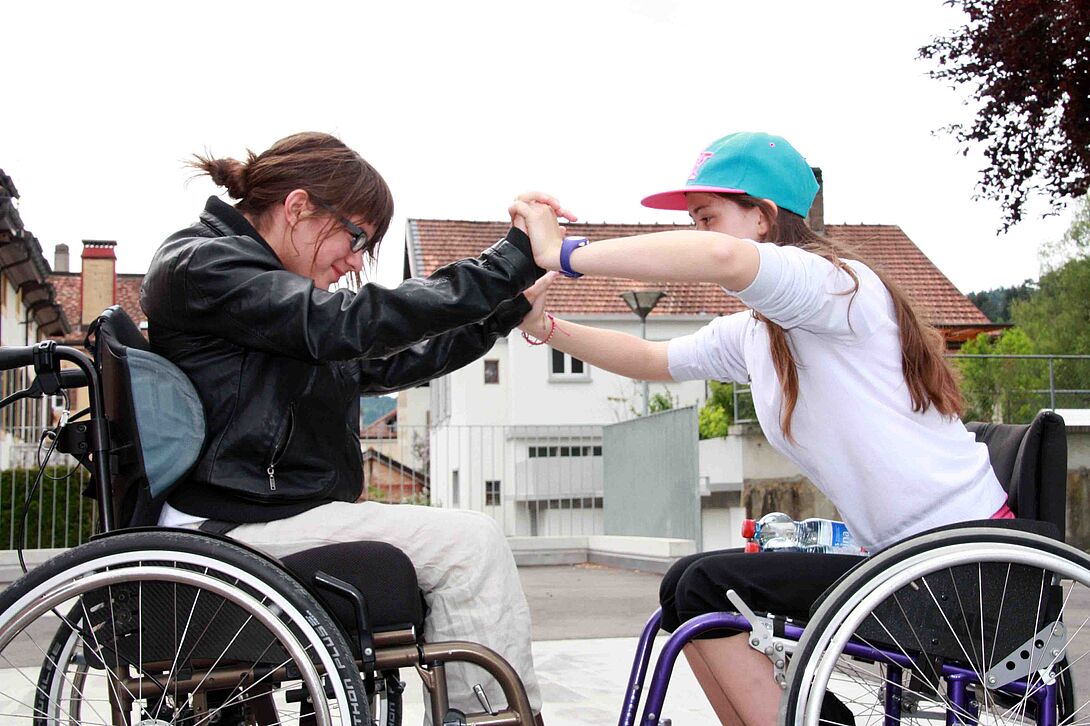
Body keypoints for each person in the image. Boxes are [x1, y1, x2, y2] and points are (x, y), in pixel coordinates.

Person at [509, 131, 1012, 726]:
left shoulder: (836, 286)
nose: (697, 236)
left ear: (765, 218)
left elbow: (721, 260)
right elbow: (653, 361)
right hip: (902, 563)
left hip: (968, 568)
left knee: (707, 586)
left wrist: (564, 253)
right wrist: (543, 326)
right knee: (687, 585)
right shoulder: (760, 331)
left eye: (707, 218)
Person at [140, 131, 565, 723]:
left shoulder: (246, 281)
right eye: (356, 236)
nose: (358, 260)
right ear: (297, 208)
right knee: (472, 546)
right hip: (230, 525)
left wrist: (505, 310)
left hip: (252, 512)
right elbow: (353, 324)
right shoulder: (208, 265)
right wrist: (511, 257)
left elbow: (386, 360)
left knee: (467, 543)